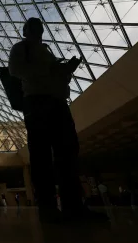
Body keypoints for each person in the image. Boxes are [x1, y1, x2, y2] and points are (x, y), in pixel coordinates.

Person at [8, 17, 106, 223]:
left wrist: (67, 69)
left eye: (39, 27)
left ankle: (74, 207)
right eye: (32, 27)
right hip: (37, 102)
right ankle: (48, 208)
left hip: (58, 102)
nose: (37, 30)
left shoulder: (46, 51)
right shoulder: (20, 49)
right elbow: (15, 71)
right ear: (25, 31)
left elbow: (55, 77)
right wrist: (50, 70)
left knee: (68, 152)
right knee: (41, 156)